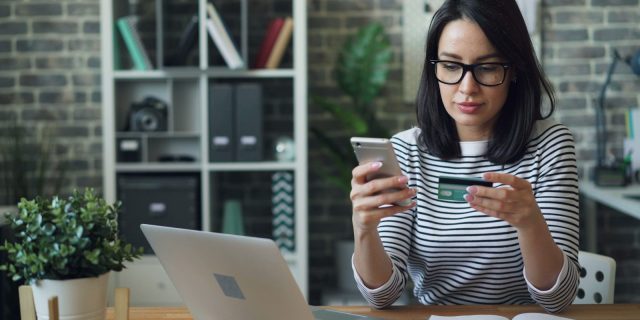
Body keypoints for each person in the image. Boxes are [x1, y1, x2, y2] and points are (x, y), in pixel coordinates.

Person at [349, 0, 579, 313]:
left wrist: (530, 224)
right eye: (451, 66)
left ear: (514, 70)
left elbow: (558, 298)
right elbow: (382, 297)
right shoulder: (405, 151)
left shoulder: (550, 145)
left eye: (487, 67)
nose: (467, 88)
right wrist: (364, 229)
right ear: (434, 69)